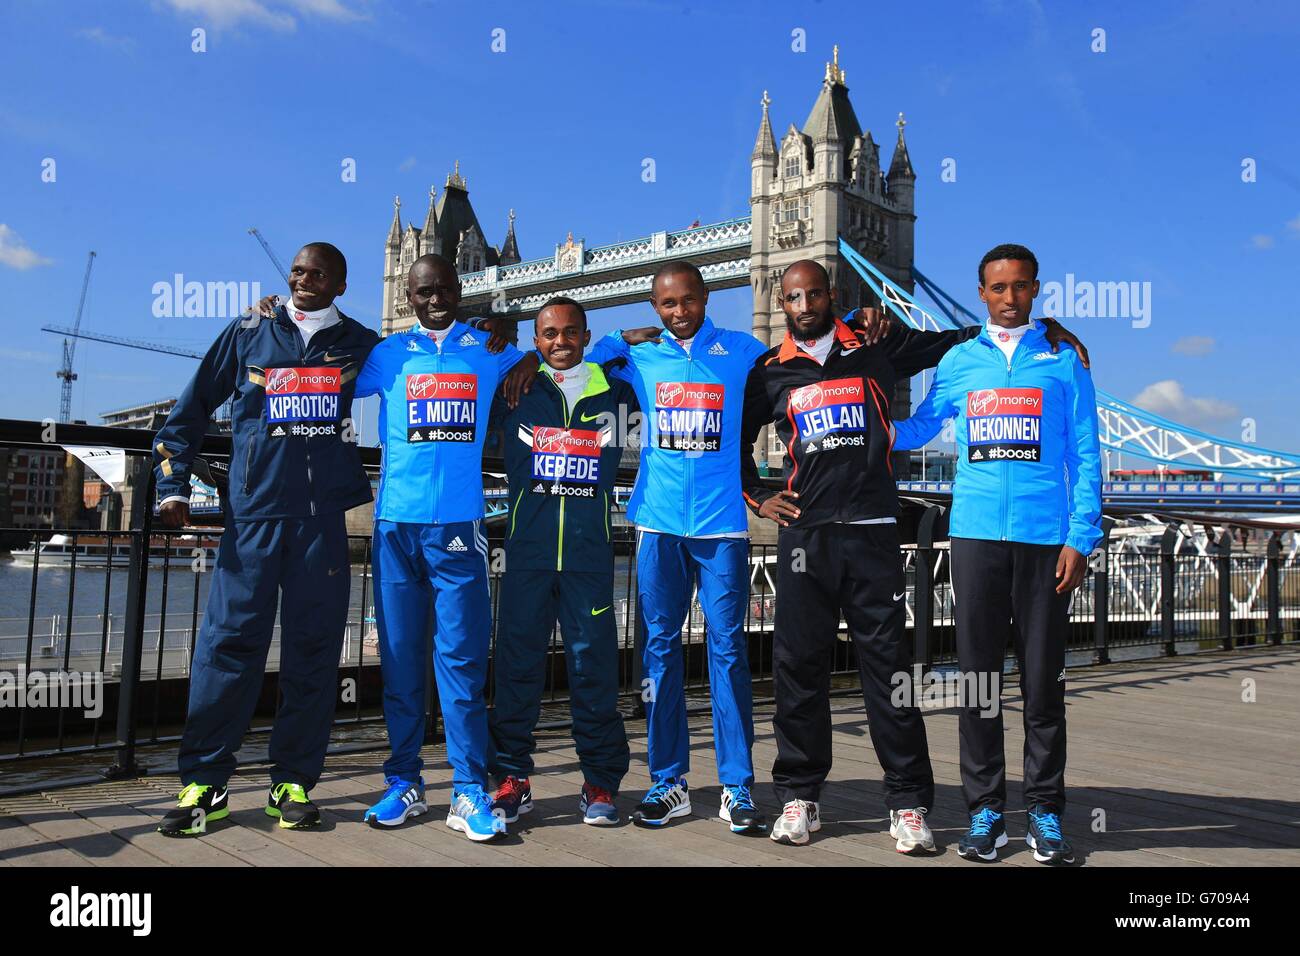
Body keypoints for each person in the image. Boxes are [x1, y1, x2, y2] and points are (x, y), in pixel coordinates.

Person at [741, 258, 1088, 850]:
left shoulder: (877, 344)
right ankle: (800, 797)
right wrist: (758, 497)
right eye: (793, 296)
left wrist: (1044, 326)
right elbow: (733, 441)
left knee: (890, 676)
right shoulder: (767, 371)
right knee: (798, 673)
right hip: (807, 539)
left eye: (815, 293)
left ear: (833, 295)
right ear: (780, 301)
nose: (804, 305)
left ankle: (907, 803)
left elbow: (957, 342)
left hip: (876, 532)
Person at [153, 242, 378, 836]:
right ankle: (205, 785)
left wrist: (503, 350)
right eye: (298, 270)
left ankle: (293, 784)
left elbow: (430, 368)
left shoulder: (360, 344)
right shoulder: (250, 329)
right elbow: (195, 403)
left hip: (320, 522)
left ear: (341, 285)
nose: (304, 279)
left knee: (313, 653)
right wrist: (172, 482)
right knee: (227, 648)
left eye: (319, 273)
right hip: (252, 517)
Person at [892, 244, 1102, 864]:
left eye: (1020, 287)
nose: (1009, 299)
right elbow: (918, 427)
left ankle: (1044, 812)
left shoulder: (1064, 360)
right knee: (979, 683)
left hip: (1045, 542)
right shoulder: (958, 361)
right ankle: (985, 812)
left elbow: (1087, 456)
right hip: (975, 536)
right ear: (980, 293)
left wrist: (1080, 536)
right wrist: (854, 397)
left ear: (1035, 289)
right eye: (997, 288)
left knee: (1043, 686)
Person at [577, 260, 771, 833]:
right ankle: (670, 782)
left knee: (728, 650)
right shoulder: (639, 357)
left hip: (720, 527)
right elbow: (578, 367)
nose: (678, 312)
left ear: (705, 297)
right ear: (654, 307)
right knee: (658, 651)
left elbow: (799, 372)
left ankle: (737, 785)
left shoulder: (741, 350)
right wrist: (617, 336)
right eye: (666, 304)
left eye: (687, 300)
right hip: (658, 523)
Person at [354, 253, 538, 842]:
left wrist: (520, 339)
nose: (434, 300)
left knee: (460, 661)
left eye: (444, 290)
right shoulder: (387, 355)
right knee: (403, 660)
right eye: (423, 292)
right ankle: (404, 780)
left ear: (460, 291)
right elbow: (319, 372)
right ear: (408, 296)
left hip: (460, 527)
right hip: (396, 528)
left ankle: (467, 789)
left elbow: (551, 355)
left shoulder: (486, 351)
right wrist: (272, 319)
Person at [486, 296, 635, 826]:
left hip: (589, 558)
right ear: (535, 340)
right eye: (548, 334)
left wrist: (619, 342)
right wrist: (509, 346)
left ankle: (600, 782)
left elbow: (662, 355)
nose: (559, 342)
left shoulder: (616, 393)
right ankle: (510, 778)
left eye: (570, 332)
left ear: (587, 334)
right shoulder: (517, 390)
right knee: (516, 669)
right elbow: (467, 345)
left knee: (592, 670)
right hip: (526, 555)